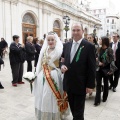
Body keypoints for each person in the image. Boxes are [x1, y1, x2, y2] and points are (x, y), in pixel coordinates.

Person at [61, 23, 96, 120]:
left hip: (81, 84)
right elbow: (62, 60)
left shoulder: (89, 46)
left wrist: (90, 85)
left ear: (83, 31)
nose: (75, 32)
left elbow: (92, 67)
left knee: (78, 113)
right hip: (68, 83)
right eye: (74, 30)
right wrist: (62, 66)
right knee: (73, 109)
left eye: (78, 30)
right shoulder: (66, 45)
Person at [33, 32, 68, 120]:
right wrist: (36, 74)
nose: (50, 41)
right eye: (48, 40)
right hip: (43, 76)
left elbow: (63, 62)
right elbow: (40, 63)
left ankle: (55, 114)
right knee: (43, 95)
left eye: (52, 40)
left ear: (56, 40)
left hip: (54, 75)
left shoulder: (60, 50)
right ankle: (45, 114)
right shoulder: (44, 50)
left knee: (52, 95)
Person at [94, 36, 116, 106]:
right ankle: (97, 101)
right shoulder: (98, 49)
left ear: (104, 41)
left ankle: (104, 97)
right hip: (98, 69)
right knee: (98, 85)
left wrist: (104, 63)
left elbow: (112, 60)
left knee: (106, 84)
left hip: (106, 69)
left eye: (100, 39)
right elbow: (95, 59)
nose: (99, 40)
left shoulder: (109, 49)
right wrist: (98, 63)